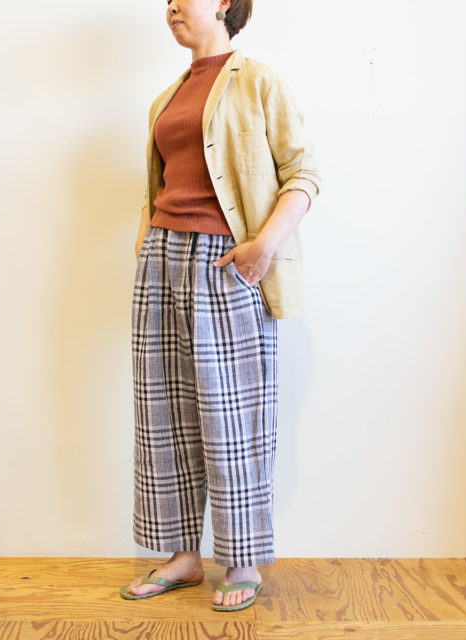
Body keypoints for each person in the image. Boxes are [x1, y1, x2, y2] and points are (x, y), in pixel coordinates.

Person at [119, 0, 321, 612]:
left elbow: (303, 173)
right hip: (161, 260)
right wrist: (147, 239)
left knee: (234, 417)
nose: (171, 6)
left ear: (225, 3)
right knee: (164, 412)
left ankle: (242, 561)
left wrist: (263, 247)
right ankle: (182, 557)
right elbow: (159, 185)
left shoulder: (259, 81)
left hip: (226, 262)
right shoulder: (166, 98)